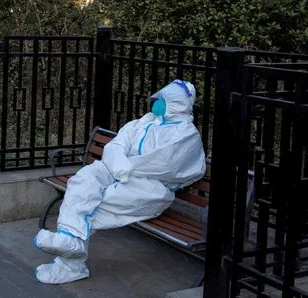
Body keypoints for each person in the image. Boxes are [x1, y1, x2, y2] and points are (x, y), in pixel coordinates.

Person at [33, 79, 206, 285]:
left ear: (176, 103)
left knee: (96, 202)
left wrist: (125, 168)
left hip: (150, 190)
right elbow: (116, 145)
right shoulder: (144, 122)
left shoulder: (185, 135)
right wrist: (119, 168)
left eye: (163, 99)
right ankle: (70, 244)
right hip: (116, 173)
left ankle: (70, 258)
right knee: (83, 181)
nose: (157, 103)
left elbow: (164, 165)